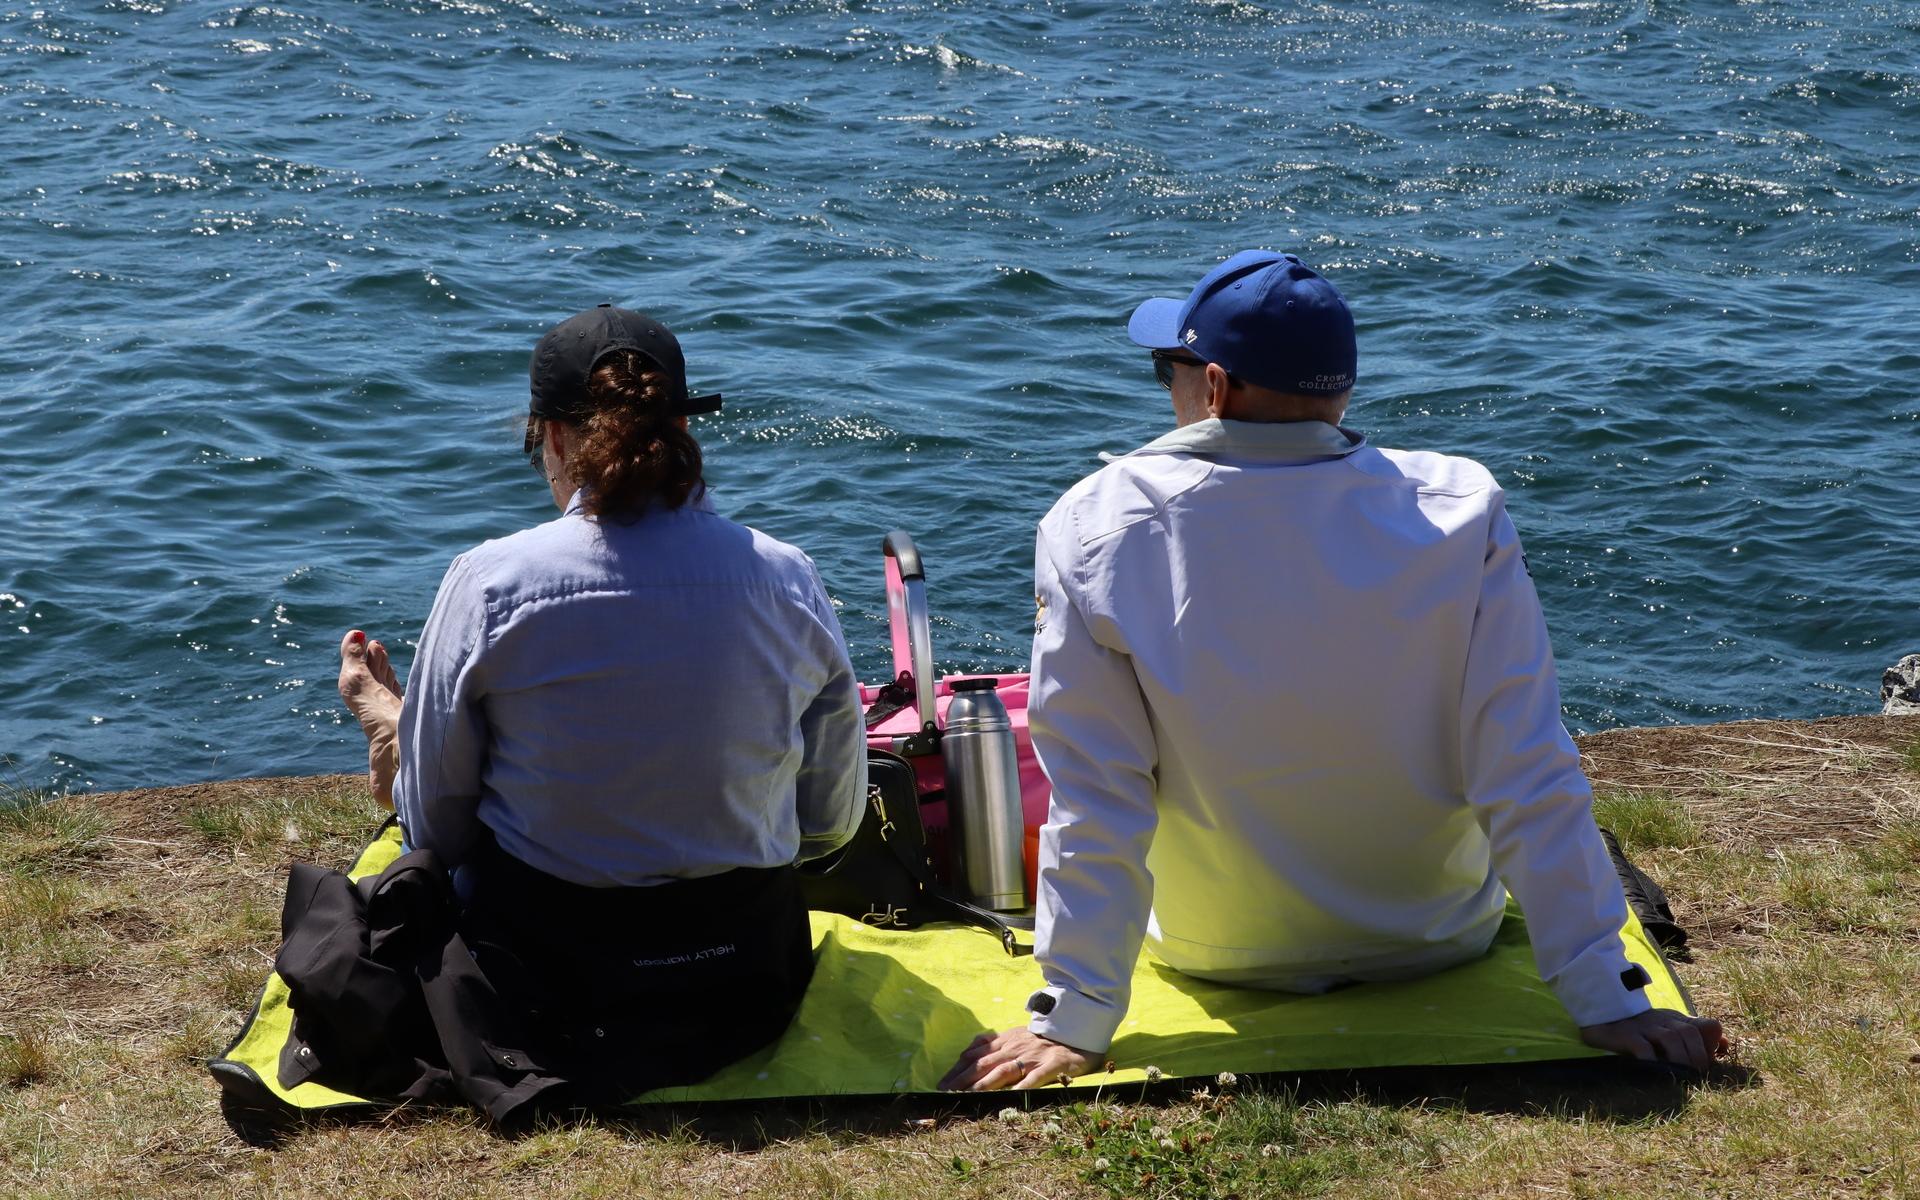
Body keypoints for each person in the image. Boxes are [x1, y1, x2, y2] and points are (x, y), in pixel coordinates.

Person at [941, 251, 1727, 1092]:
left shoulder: (1096, 521)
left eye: (1163, 369)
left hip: (1215, 949)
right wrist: (1607, 995)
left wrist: (1077, 1012)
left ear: (1211, 386)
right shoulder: (1460, 507)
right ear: (1341, 386)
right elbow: (1525, 762)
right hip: (1436, 936)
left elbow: (1099, 792)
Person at [330, 303, 866, 1116]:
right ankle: (408, 737)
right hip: (746, 986)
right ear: (685, 429)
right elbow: (830, 822)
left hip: (555, 990)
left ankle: (400, 736)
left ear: (550, 437)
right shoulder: (786, 577)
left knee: (430, 817)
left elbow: (439, 832)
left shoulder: (493, 581)